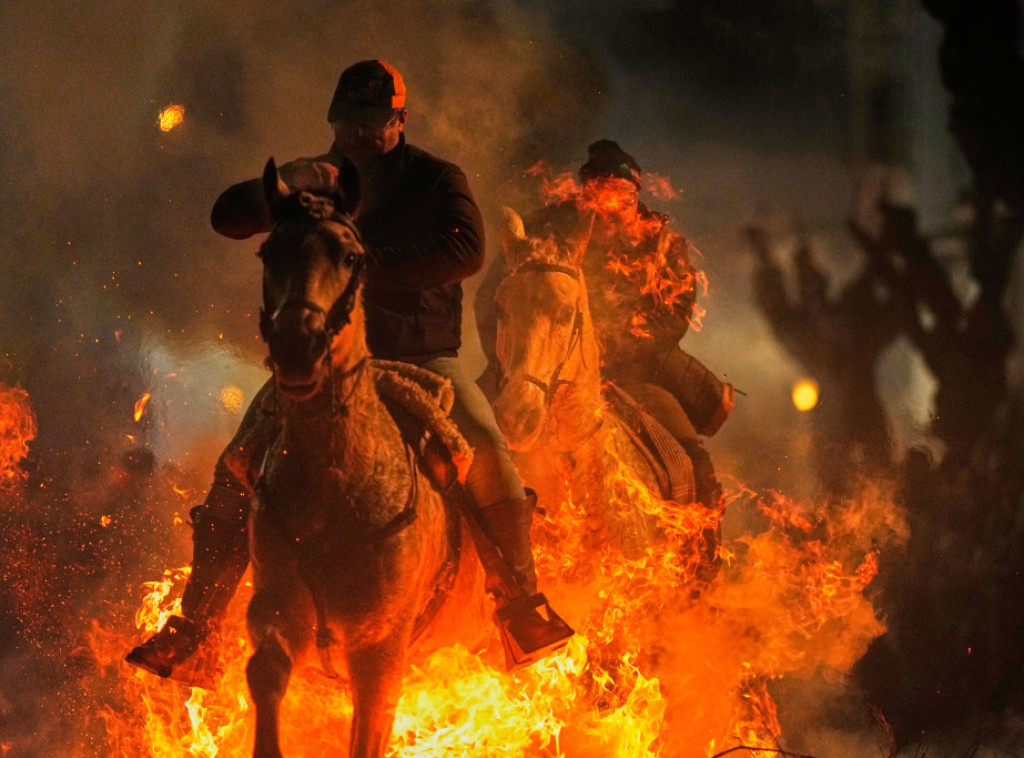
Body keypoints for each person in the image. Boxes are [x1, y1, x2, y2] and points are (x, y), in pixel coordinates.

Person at [127, 60, 568, 679]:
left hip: (422, 356)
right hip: (324, 362)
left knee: (490, 450)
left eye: (372, 124)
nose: (358, 135)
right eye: (347, 123)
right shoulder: (317, 184)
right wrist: (290, 180)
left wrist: (363, 265)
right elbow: (227, 217)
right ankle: (195, 625)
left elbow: (467, 251)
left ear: (399, 121)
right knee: (236, 465)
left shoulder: (437, 178)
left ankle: (520, 600)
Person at [476, 140, 732, 511]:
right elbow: (491, 300)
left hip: (637, 375)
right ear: (584, 198)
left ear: (636, 200)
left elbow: (674, 316)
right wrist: (511, 361)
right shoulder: (541, 232)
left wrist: (612, 347)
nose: (611, 214)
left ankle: (702, 562)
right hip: (538, 371)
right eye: (601, 202)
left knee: (693, 466)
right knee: (469, 443)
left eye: (622, 203)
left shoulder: (662, 244)